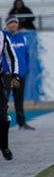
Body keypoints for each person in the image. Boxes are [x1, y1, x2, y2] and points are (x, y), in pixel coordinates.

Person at [3, 18, 34, 130]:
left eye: (15, 22)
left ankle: (22, 123)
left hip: (20, 74)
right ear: (7, 25)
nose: (13, 24)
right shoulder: (3, 37)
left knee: (19, 100)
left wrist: (25, 70)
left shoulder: (23, 38)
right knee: (4, 100)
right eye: (11, 22)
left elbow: (26, 55)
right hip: (7, 74)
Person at [0, 29, 19, 160]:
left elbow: (11, 57)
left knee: (3, 115)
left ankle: (4, 146)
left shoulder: (2, 35)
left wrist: (15, 76)